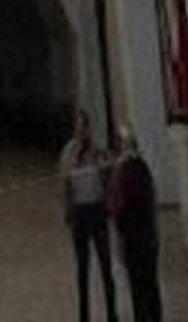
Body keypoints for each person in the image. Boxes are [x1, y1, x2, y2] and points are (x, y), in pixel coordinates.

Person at [59, 109, 119, 322]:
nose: (82, 130)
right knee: (82, 268)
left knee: (105, 265)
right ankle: (84, 314)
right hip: (80, 213)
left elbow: (109, 175)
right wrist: (68, 209)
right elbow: (66, 182)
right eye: (78, 126)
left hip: (97, 210)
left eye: (84, 126)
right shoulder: (69, 151)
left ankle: (112, 313)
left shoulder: (98, 151)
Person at [107, 130, 162, 322]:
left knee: (139, 286)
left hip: (135, 236)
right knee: (150, 285)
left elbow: (120, 205)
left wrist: (120, 233)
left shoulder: (124, 171)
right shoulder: (142, 168)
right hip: (147, 235)